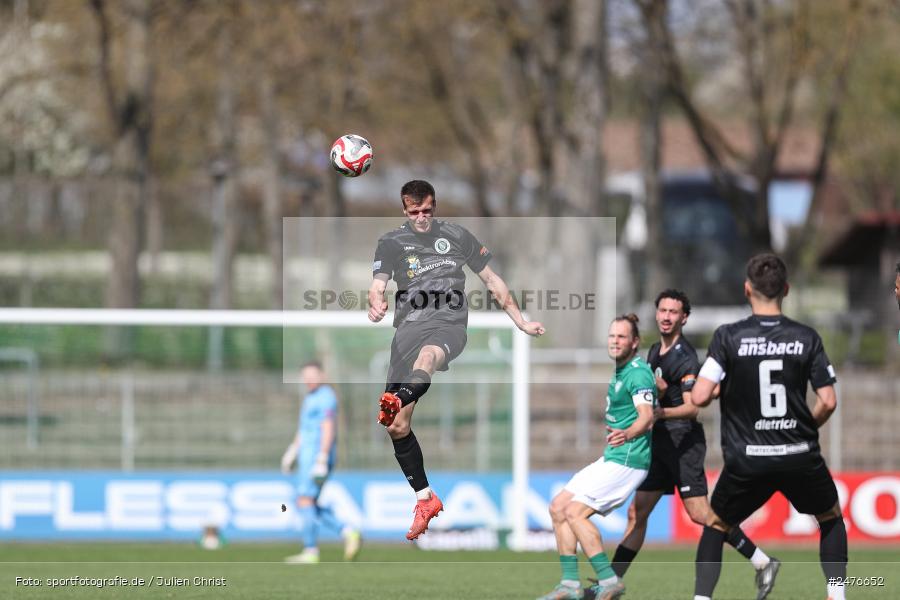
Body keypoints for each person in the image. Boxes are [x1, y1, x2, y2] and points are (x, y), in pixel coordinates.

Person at [368, 179, 545, 541]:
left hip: (447, 325)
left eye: (427, 210)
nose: (422, 217)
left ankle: (401, 396)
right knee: (396, 426)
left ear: (435, 205)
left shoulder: (458, 236)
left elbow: (493, 281)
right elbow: (377, 282)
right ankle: (425, 498)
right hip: (406, 332)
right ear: (404, 210)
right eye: (414, 211)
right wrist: (376, 301)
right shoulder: (390, 242)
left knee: (429, 358)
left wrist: (521, 321)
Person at [690, 254, 846, 600]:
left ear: (747, 289)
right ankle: (837, 595)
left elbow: (700, 396)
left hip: (748, 459)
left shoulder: (728, 337)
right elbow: (829, 400)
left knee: (716, 524)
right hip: (798, 455)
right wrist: (805, 429)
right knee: (831, 518)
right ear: (786, 290)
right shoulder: (806, 337)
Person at [610, 290, 779, 599]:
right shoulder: (653, 353)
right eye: (662, 310)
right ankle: (610, 584)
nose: (665, 316)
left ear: (683, 318)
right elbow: (660, 394)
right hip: (659, 444)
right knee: (637, 513)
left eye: (673, 312)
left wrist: (659, 410)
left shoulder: (685, 355)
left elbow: (692, 407)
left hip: (682, 443)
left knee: (701, 515)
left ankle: (762, 561)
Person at [536, 314, 654, 600]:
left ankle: (609, 579)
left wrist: (627, 434)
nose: (614, 341)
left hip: (628, 460)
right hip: (613, 456)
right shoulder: (622, 370)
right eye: (612, 336)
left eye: (621, 337)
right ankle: (570, 585)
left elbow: (647, 417)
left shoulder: (637, 372)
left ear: (635, 342)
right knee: (558, 507)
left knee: (575, 512)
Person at [281, 361, 361, 563]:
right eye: (305, 375)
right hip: (307, 455)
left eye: (312, 375)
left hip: (316, 456)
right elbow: (305, 428)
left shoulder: (325, 396)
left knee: (304, 500)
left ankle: (310, 551)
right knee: (309, 502)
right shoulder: (310, 397)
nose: (308, 379)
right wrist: (293, 450)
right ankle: (348, 532)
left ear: (322, 375)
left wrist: (322, 457)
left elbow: (328, 427)